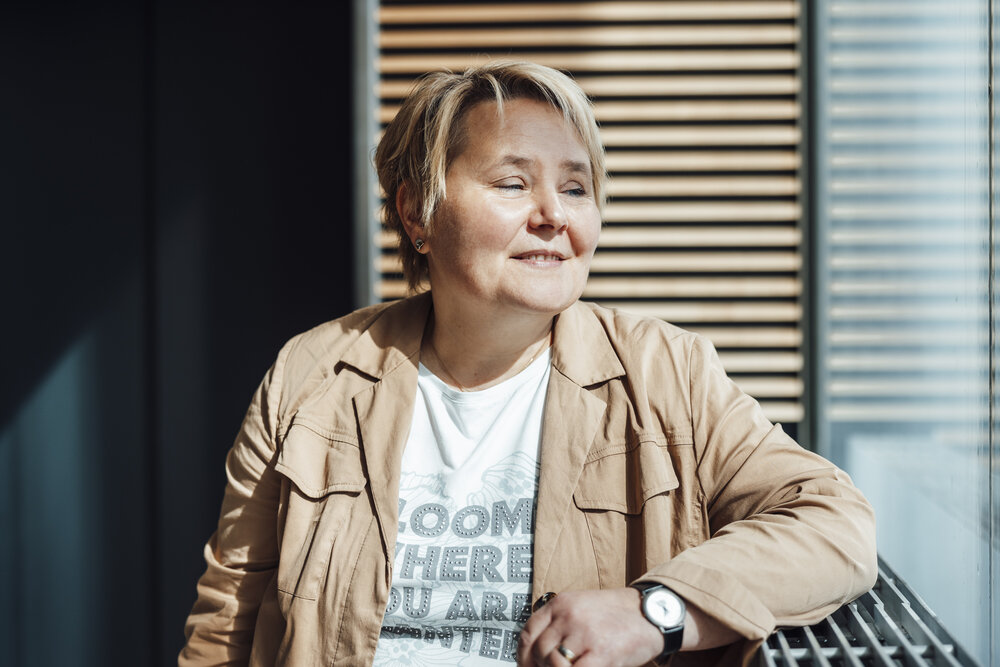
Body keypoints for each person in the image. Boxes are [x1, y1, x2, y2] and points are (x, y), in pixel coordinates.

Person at [179, 61, 876, 667]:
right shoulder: (313, 373)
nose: (553, 214)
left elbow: (834, 523)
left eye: (575, 188)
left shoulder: (668, 372)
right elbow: (226, 624)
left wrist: (654, 610)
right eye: (513, 183)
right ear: (418, 213)